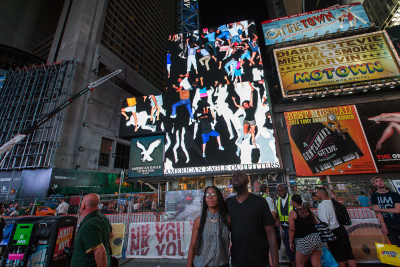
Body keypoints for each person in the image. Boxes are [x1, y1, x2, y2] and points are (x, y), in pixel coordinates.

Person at [227, 170, 279, 267]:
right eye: (233, 176)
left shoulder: (260, 202)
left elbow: (271, 235)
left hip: (259, 261)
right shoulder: (229, 203)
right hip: (237, 261)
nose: (235, 177)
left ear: (247, 180)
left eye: (239, 175)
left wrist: (275, 264)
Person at [187, 186, 230, 267]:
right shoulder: (199, 221)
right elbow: (192, 247)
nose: (210, 197)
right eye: (207, 194)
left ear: (219, 197)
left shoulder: (227, 219)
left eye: (213, 193)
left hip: (222, 264)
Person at [316, 187, 356, 267]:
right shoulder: (333, 202)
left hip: (333, 233)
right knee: (349, 255)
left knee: (339, 258)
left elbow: (324, 223)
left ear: (321, 194)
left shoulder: (322, 205)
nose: (316, 195)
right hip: (342, 230)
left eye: (316, 193)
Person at [71, 193, 113, 267]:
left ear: (83, 205)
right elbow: (110, 235)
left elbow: (100, 253)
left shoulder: (89, 224)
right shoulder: (103, 218)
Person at [289, 194, 322, 267]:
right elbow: (315, 223)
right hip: (316, 238)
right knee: (316, 263)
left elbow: (292, 230)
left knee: (300, 264)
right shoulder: (308, 211)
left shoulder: (293, 213)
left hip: (303, 240)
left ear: (294, 202)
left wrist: (291, 242)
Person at [370, 177, 400, 247]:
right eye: (377, 181)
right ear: (374, 184)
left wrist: (379, 209)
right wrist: (383, 225)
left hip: (398, 221)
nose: (380, 182)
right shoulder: (374, 196)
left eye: (381, 180)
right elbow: (378, 213)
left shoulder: (394, 194)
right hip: (388, 224)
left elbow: (397, 210)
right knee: (396, 245)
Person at [275, 184, 296, 267]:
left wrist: (304, 208)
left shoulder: (292, 197)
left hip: (294, 228)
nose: (281, 193)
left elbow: (305, 204)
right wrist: (277, 219)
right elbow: (277, 212)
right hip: (284, 229)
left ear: (286, 189)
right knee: (289, 251)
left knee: (296, 251)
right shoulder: (278, 200)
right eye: (279, 191)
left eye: (282, 191)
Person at [232, 83, 257, 147]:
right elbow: (237, 105)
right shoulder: (244, 109)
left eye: (245, 104)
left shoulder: (251, 105)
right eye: (243, 104)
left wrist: (251, 91)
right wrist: (234, 100)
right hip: (246, 120)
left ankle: (254, 142)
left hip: (252, 120)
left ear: (247, 103)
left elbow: (251, 97)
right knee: (245, 133)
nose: (244, 105)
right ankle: (250, 133)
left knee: (253, 132)